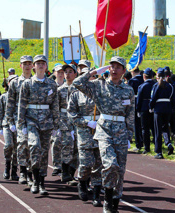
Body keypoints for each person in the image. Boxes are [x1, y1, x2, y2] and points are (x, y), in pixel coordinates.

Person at [73, 56, 134, 213]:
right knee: (109, 164)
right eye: (111, 66)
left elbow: (131, 115)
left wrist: (129, 136)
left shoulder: (128, 90)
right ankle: (106, 199)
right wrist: (93, 72)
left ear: (124, 71)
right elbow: (77, 83)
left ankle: (115, 200)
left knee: (120, 170)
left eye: (118, 67)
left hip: (121, 130)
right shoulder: (98, 85)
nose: (114, 69)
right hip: (104, 130)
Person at [18, 55, 59, 195]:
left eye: (43, 63)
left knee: (43, 153)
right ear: (34, 66)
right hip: (31, 120)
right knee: (34, 147)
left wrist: (56, 125)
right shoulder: (27, 84)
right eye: (38, 63)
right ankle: (34, 180)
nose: (40, 65)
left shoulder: (52, 84)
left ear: (46, 66)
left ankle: (41, 183)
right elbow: (22, 105)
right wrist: (21, 124)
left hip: (47, 122)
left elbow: (55, 105)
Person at [67, 69, 102, 207]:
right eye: (88, 76)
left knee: (99, 165)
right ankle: (82, 183)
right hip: (84, 133)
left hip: (100, 131)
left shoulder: (100, 93)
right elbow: (71, 114)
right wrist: (86, 122)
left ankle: (96, 194)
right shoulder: (76, 95)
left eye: (94, 76)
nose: (91, 79)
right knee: (86, 163)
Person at [6, 55, 34, 185]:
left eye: (29, 63)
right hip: (19, 119)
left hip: (35, 118)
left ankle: (30, 172)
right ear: (20, 66)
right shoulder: (15, 83)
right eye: (25, 63)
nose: (27, 66)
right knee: (22, 144)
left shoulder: (36, 81)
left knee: (33, 146)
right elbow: (10, 104)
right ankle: (22, 171)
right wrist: (10, 121)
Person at [57, 64, 78, 182]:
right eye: (66, 72)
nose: (68, 74)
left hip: (77, 121)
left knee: (77, 148)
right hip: (64, 121)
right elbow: (56, 107)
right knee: (67, 146)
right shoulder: (60, 90)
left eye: (70, 71)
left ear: (75, 74)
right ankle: (64, 172)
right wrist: (57, 125)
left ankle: (71, 171)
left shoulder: (79, 89)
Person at [150, 68, 175, 159]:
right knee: (165, 128)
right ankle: (168, 143)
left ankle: (159, 152)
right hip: (167, 109)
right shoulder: (170, 86)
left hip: (158, 109)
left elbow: (153, 98)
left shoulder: (156, 86)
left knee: (157, 130)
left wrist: (151, 107)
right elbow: (173, 99)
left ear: (157, 76)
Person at [0, 74, 19, 181]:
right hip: (6, 124)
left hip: (18, 125)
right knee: (8, 145)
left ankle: (14, 170)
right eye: (11, 81)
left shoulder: (20, 95)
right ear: (8, 83)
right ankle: (7, 167)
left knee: (17, 149)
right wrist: (0, 126)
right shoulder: (4, 97)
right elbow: (0, 112)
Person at [49, 64, 65, 176]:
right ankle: (56, 165)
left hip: (66, 118)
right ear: (54, 73)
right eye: (58, 72)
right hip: (53, 117)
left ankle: (65, 166)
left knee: (67, 143)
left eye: (62, 72)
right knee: (55, 141)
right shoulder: (50, 86)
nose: (60, 74)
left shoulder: (68, 85)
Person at [136, 68, 156, 154]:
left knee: (145, 129)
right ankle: (157, 146)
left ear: (144, 76)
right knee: (154, 128)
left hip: (144, 108)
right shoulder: (156, 85)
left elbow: (139, 99)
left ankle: (147, 147)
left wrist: (138, 109)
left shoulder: (142, 86)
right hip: (154, 108)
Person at [128, 67, 144, 152]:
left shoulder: (132, 81)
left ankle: (139, 144)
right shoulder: (143, 79)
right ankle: (145, 142)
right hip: (145, 104)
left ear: (133, 72)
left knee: (137, 125)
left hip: (135, 103)